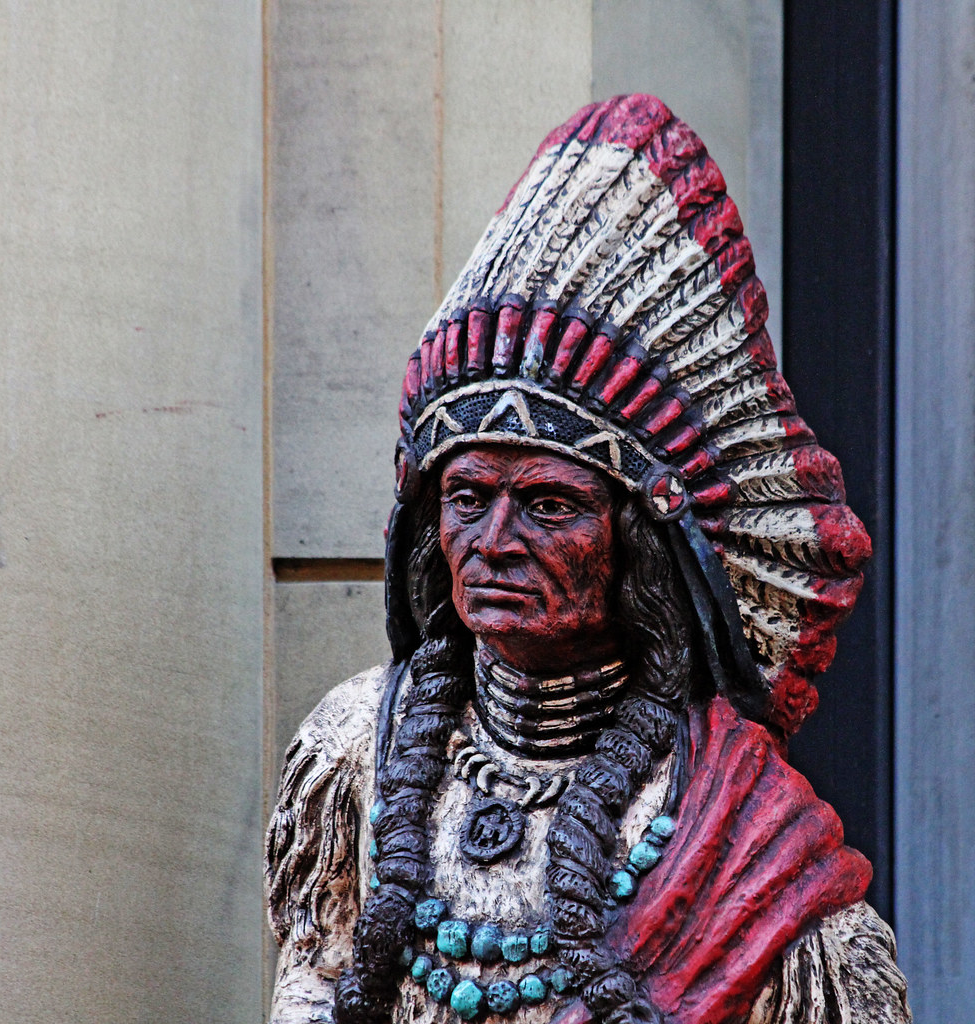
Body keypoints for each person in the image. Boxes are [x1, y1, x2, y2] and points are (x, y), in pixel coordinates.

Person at [265, 96, 911, 1024]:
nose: (493, 544)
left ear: (638, 548)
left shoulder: (752, 848)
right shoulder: (351, 754)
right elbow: (307, 979)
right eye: (466, 498)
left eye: (549, 505)